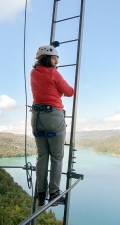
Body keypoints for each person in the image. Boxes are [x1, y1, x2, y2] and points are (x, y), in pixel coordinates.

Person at [30, 44, 74, 206]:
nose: (57, 61)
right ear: (49, 58)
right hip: (53, 116)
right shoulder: (54, 74)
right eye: (55, 58)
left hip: (36, 117)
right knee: (56, 156)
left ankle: (41, 193)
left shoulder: (33, 73)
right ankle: (54, 193)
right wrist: (61, 91)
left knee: (42, 155)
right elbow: (69, 92)